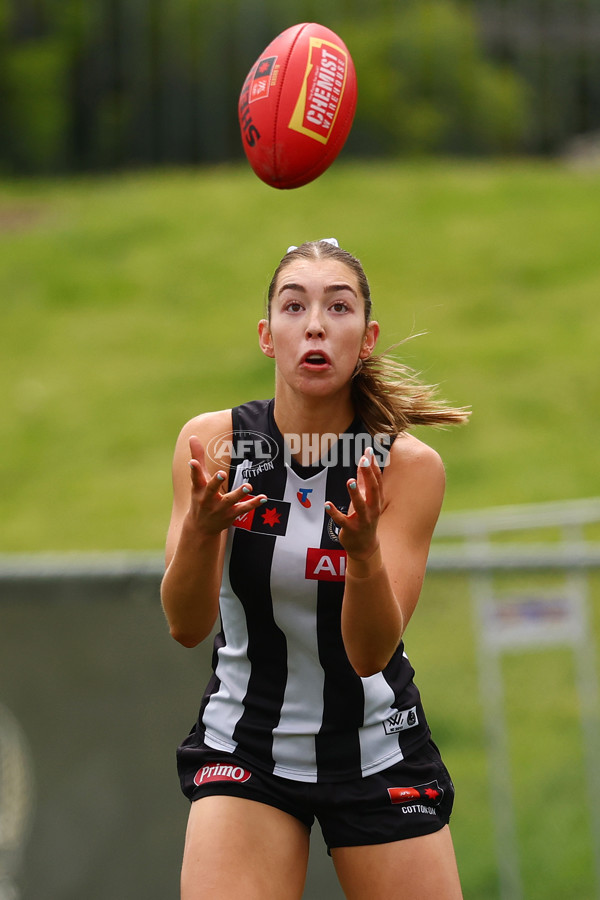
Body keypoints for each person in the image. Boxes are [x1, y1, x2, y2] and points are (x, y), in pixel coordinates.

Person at [161, 239, 469, 900]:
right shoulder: (213, 446)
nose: (316, 323)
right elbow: (185, 625)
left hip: (375, 747)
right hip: (246, 748)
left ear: (368, 336)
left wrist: (361, 557)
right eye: (294, 305)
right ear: (268, 335)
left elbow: (369, 653)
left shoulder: (406, 468)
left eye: (339, 306)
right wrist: (201, 531)